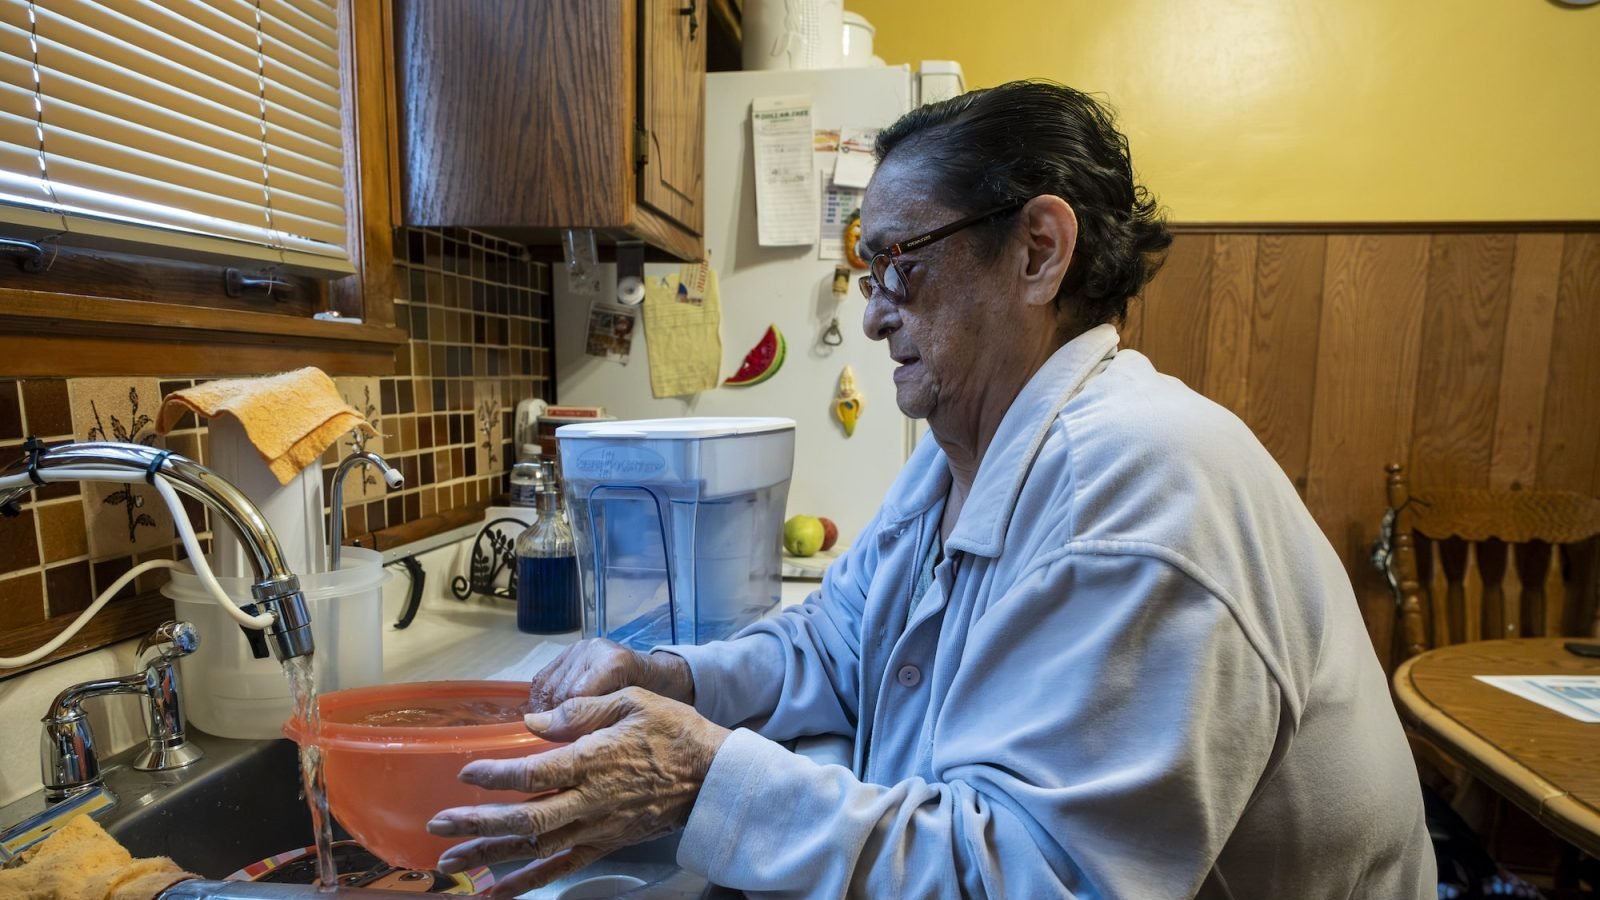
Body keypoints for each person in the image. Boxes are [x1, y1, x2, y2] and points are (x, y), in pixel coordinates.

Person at [426, 81, 1437, 899]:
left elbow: (1043, 880)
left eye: (897, 265)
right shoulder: (960, 454)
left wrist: (701, 777)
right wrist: (672, 680)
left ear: (1038, 251)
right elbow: (835, 642)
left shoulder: (1141, 479)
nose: (872, 317)